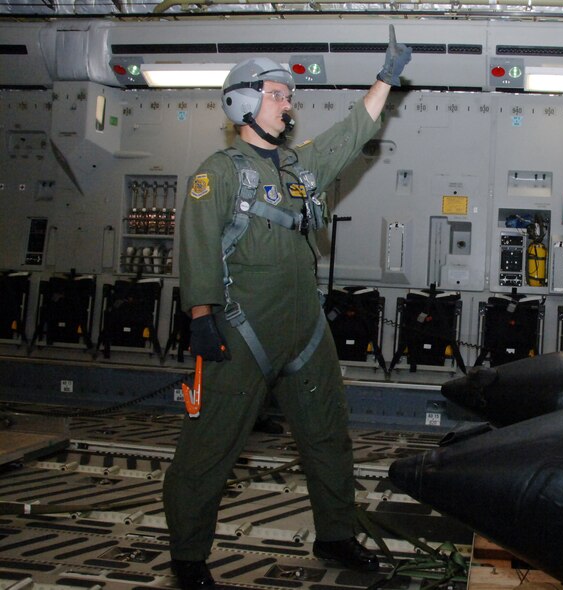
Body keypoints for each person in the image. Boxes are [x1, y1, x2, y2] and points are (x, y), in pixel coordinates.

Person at [162, 26, 412, 590]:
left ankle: (335, 534)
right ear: (244, 103)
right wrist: (201, 317)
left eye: (288, 96)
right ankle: (187, 556)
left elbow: (351, 133)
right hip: (240, 331)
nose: (288, 104)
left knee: (328, 435)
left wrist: (386, 78)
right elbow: (197, 241)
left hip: (304, 331)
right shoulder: (218, 173)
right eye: (277, 94)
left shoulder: (300, 170)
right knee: (210, 446)